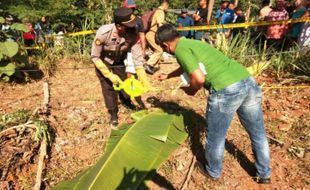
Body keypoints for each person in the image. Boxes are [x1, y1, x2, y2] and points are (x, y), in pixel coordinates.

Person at [155, 24, 272, 184]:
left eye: (164, 49)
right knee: (257, 132)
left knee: (215, 135)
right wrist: (168, 75)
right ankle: (264, 174)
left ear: (165, 45)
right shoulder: (192, 43)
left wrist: (191, 90)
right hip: (247, 81)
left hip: (226, 90)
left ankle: (213, 171)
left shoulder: (180, 50)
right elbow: (188, 66)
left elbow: (199, 79)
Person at [91, 7, 150, 127]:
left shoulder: (133, 33)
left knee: (124, 81)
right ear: (119, 26)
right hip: (103, 62)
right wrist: (109, 75)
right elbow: (95, 57)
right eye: (128, 26)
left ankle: (126, 101)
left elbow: (137, 58)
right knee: (108, 87)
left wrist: (143, 77)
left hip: (119, 60)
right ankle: (113, 113)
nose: (132, 28)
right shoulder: (103, 33)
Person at [144, 0, 169, 75]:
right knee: (159, 50)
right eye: (168, 6)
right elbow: (160, 24)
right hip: (152, 34)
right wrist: (164, 35)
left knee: (158, 50)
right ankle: (148, 64)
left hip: (150, 34)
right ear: (165, 4)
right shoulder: (160, 12)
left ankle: (155, 67)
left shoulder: (155, 11)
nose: (167, 8)